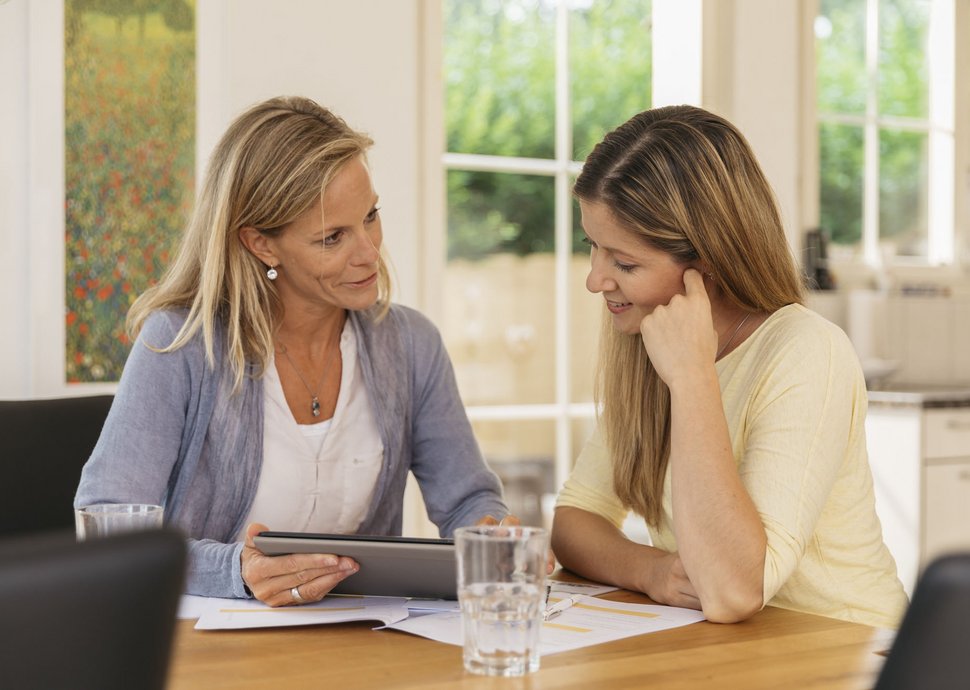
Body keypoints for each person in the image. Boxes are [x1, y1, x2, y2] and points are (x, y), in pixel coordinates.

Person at [75, 95, 510, 606]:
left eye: (370, 216)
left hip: (358, 642)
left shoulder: (411, 345)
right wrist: (235, 570)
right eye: (332, 238)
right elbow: (110, 527)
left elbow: (469, 500)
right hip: (206, 650)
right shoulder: (179, 345)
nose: (369, 252)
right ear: (261, 244)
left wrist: (491, 535)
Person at [551, 105, 908, 628]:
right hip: (738, 655)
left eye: (624, 263)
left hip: (849, 650)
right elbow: (574, 520)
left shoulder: (806, 351)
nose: (595, 280)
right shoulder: (649, 336)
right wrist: (651, 570)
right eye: (594, 249)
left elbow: (732, 590)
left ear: (706, 266)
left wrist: (693, 377)